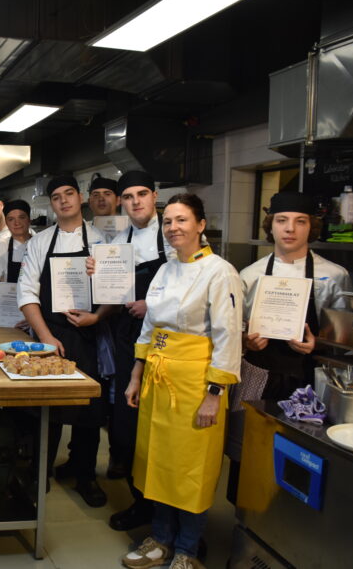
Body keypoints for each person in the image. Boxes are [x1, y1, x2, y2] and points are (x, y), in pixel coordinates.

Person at [121, 194, 242, 569]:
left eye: (182, 220)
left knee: (191, 469)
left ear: (201, 225)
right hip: (158, 379)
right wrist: (136, 375)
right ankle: (160, 539)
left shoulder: (220, 272)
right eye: (168, 221)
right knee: (158, 462)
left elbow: (228, 337)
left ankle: (187, 550)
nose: (173, 227)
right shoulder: (165, 269)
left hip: (197, 385)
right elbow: (149, 327)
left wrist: (214, 394)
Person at [17, 175, 108, 507]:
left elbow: (116, 291)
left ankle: (85, 475)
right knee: (46, 409)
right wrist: (45, 337)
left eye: (69, 194)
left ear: (80, 197)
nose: (64, 200)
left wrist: (97, 316)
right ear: (51, 204)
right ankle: (38, 475)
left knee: (89, 410)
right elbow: (27, 293)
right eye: (56, 197)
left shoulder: (101, 240)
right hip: (51, 333)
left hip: (89, 333)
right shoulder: (40, 242)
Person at [105, 170, 172, 532]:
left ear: (154, 196)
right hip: (127, 336)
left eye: (142, 194)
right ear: (121, 202)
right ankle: (141, 502)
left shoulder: (173, 235)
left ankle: (170, 512)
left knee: (163, 427)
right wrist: (98, 276)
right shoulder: (119, 241)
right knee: (127, 424)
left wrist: (153, 304)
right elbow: (114, 294)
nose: (136, 202)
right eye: (128, 196)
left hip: (168, 341)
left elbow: (193, 287)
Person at [240, 191, 351, 399]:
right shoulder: (249, 275)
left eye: (300, 221)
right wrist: (246, 341)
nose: (290, 228)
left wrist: (317, 343)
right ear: (270, 226)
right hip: (258, 376)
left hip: (313, 376)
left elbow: (345, 342)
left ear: (311, 228)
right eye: (281, 220)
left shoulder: (334, 276)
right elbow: (235, 328)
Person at [0, 199, 33, 320]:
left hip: (40, 315)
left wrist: (34, 319)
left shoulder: (41, 244)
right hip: (11, 315)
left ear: (29, 220)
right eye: (11, 219)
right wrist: (2, 315)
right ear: (7, 223)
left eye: (22, 217)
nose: (17, 223)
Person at [87, 175, 122, 243]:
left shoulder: (130, 230)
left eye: (107, 194)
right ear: (89, 202)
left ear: (118, 200)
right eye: (96, 195)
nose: (101, 199)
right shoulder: (82, 231)